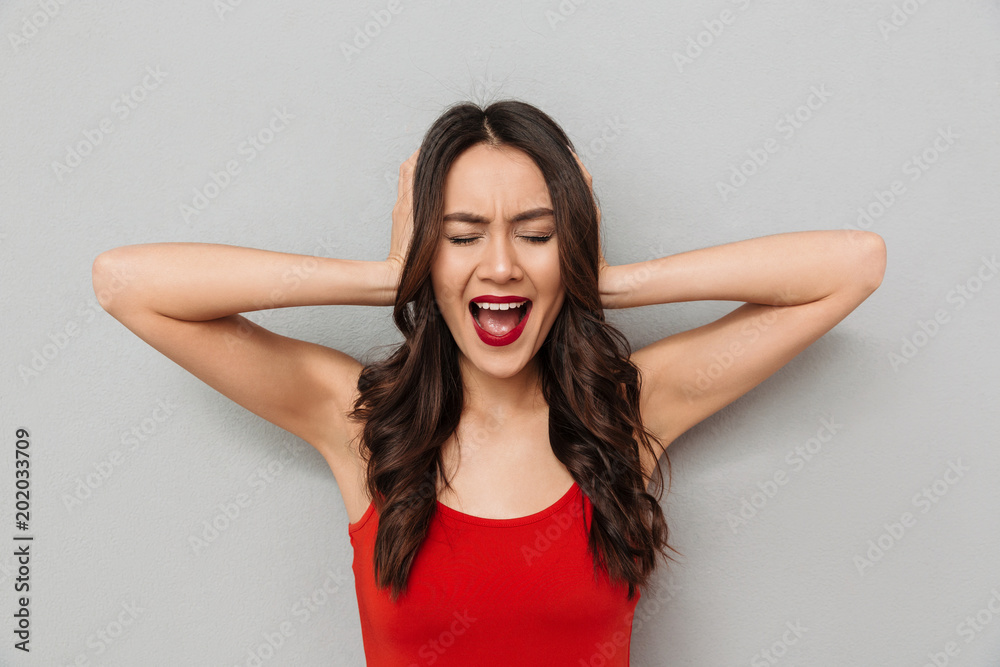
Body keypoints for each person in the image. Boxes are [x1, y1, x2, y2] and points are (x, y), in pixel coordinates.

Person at [91, 99, 886, 665]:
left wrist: (599, 278)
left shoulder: (628, 411)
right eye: (463, 235)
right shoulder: (358, 421)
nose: (501, 264)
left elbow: (853, 265)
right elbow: (127, 283)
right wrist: (387, 277)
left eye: (535, 234)